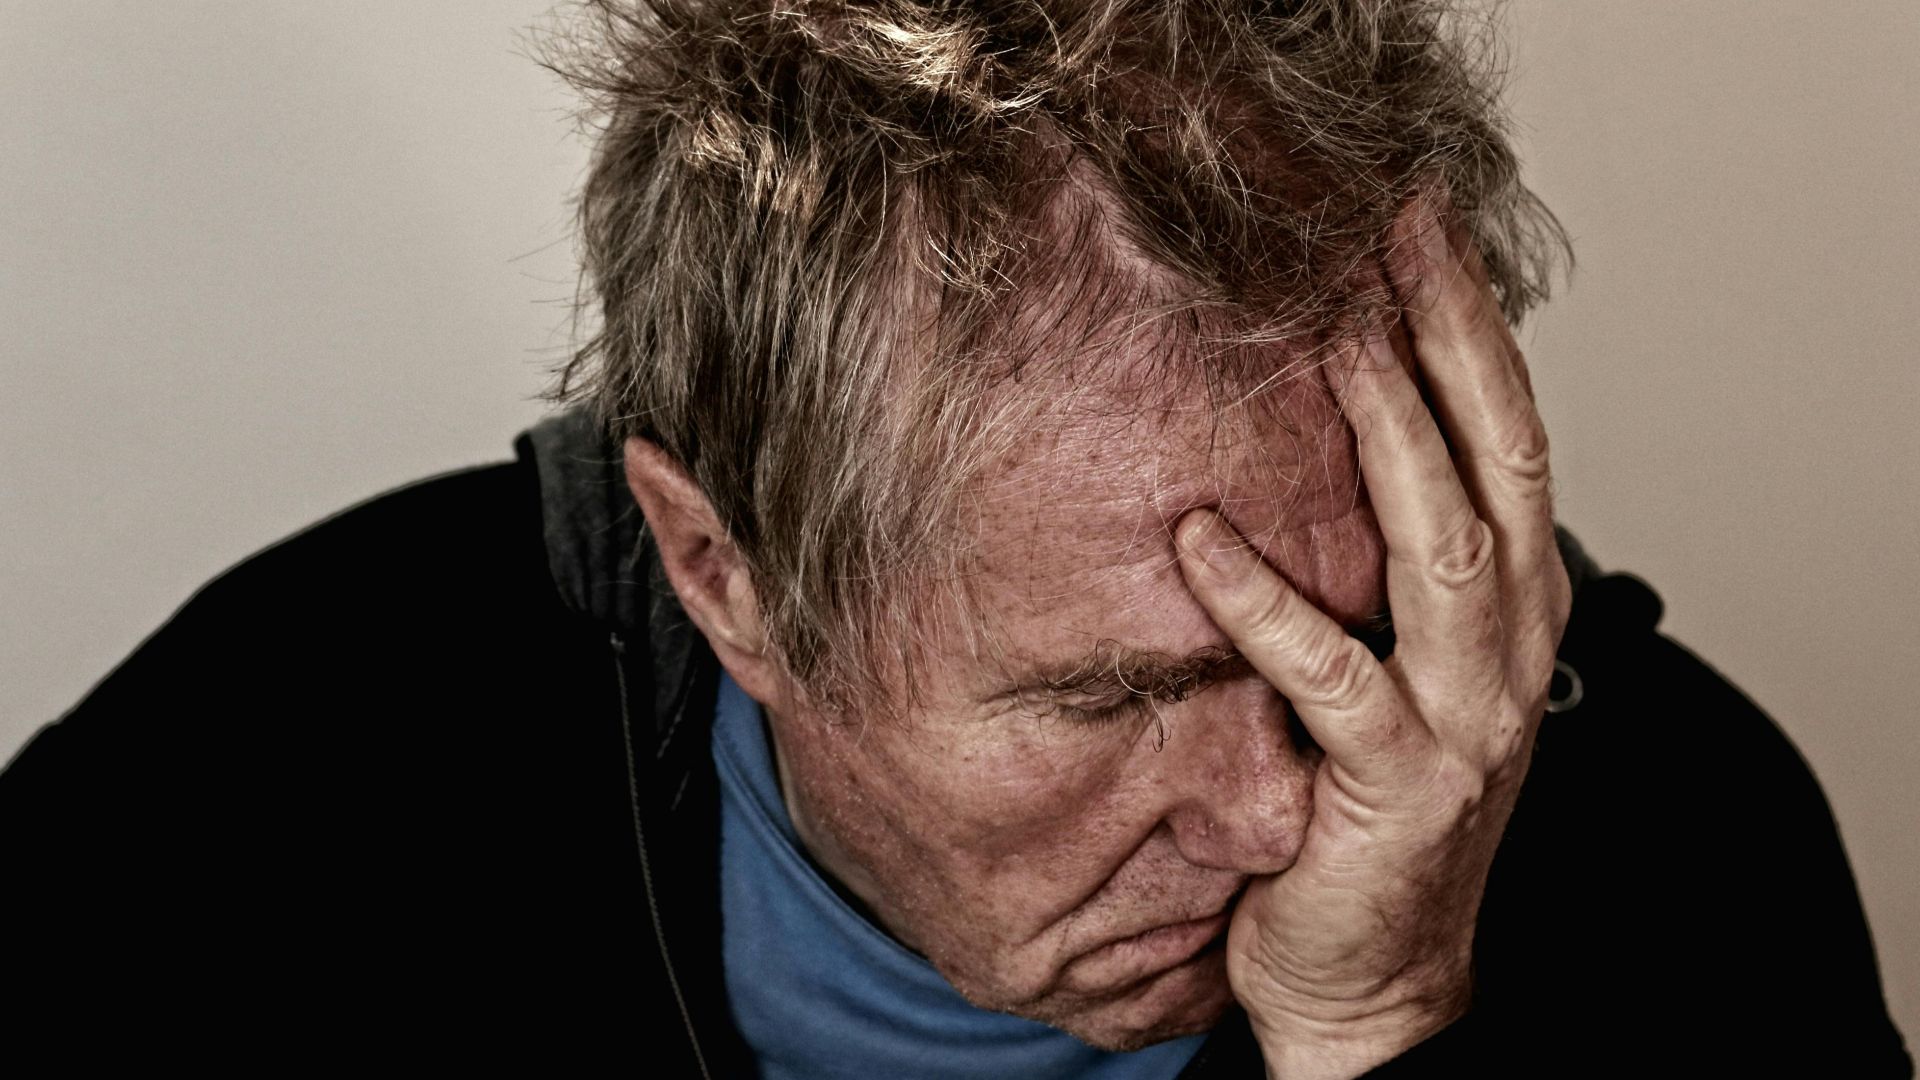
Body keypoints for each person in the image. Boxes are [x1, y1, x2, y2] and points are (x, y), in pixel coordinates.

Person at [2, 1, 1908, 1075]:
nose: (1280, 817)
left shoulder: (1680, 839)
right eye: (1109, 696)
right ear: (721, 567)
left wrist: (1386, 1031)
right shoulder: (255, 792)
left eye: (1357, 639)